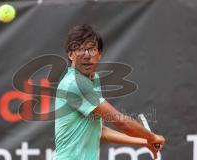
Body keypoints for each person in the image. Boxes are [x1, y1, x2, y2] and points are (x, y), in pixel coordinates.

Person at [54, 24, 165, 160]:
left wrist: (144, 141)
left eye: (91, 49)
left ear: (99, 54)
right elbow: (121, 122)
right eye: (80, 50)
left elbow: (101, 132)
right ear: (71, 55)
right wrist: (152, 137)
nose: (87, 55)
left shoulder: (93, 80)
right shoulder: (75, 83)